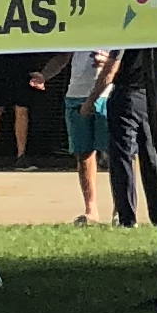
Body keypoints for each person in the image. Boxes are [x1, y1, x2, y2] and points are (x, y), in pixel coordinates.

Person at [105, 44, 157, 228]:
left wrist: (91, 100)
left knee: (123, 157)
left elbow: (112, 66)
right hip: (153, 96)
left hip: (126, 92)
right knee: (152, 155)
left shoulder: (129, 35)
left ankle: (127, 216)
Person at [57, 47, 114, 224]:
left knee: (118, 154)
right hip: (75, 94)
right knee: (83, 154)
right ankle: (91, 210)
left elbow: (126, 60)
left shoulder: (115, 33)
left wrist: (109, 63)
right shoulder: (76, 34)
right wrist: (44, 75)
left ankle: (121, 209)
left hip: (108, 94)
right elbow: (63, 56)